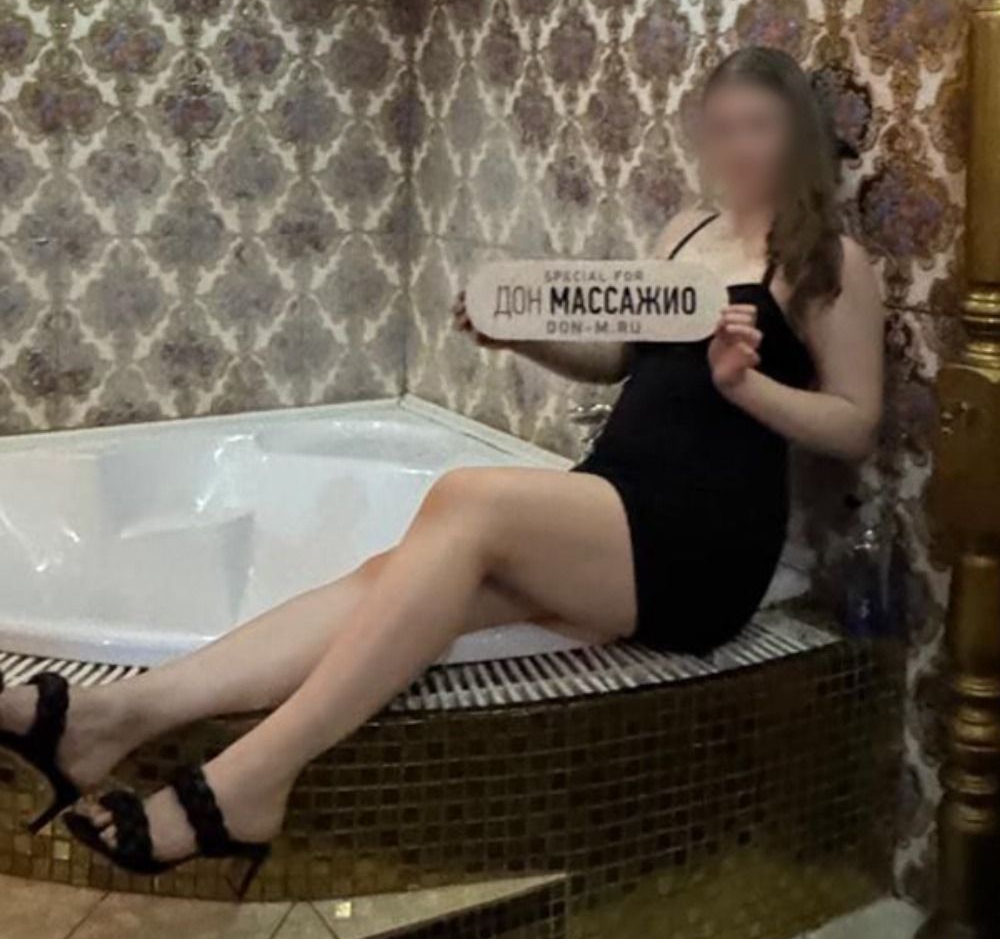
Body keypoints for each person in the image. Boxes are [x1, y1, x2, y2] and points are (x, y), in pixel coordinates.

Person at [0, 46, 883, 891]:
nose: (737, 147)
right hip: (615, 495)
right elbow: (621, 360)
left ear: (798, 135)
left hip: (702, 543)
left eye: (758, 126)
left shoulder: (829, 260)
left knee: (467, 499)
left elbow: (854, 424)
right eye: (721, 127)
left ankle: (251, 778)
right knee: (389, 580)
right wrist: (521, 338)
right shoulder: (685, 232)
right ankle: (114, 716)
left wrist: (747, 386)